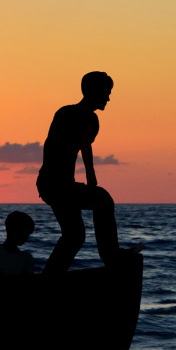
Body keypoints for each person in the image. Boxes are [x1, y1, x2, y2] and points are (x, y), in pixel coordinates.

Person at [37, 71, 137, 273]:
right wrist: (90, 177)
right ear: (93, 92)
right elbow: (81, 145)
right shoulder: (75, 115)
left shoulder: (77, 116)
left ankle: (51, 275)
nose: (108, 98)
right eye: (107, 92)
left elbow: (78, 145)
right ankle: (112, 258)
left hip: (53, 184)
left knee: (74, 235)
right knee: (103, 201)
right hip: (55, 185)